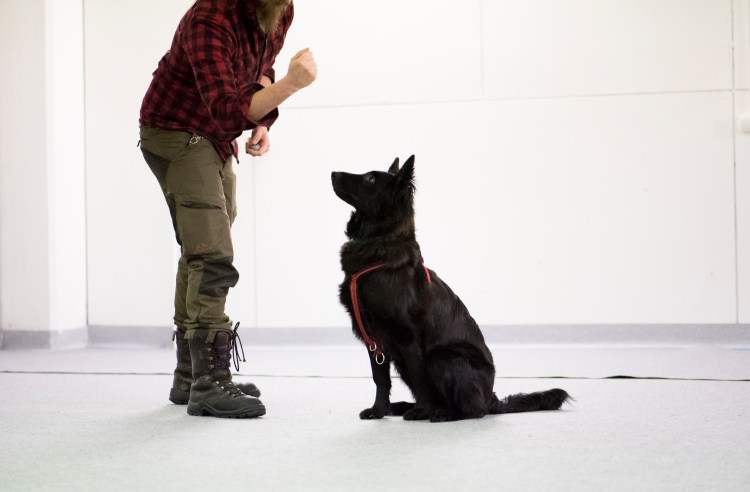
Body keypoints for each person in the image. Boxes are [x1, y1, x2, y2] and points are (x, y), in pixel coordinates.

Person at [138, 0, 316, 419]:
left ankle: (189, 375)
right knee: (212, 252)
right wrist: (291, 85)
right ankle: (209, 381)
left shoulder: (280, 8)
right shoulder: (211, 18)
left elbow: (261, 70)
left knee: (202, 244)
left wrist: (263, 121)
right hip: (175, 130)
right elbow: (226, 110)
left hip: (213, 136)